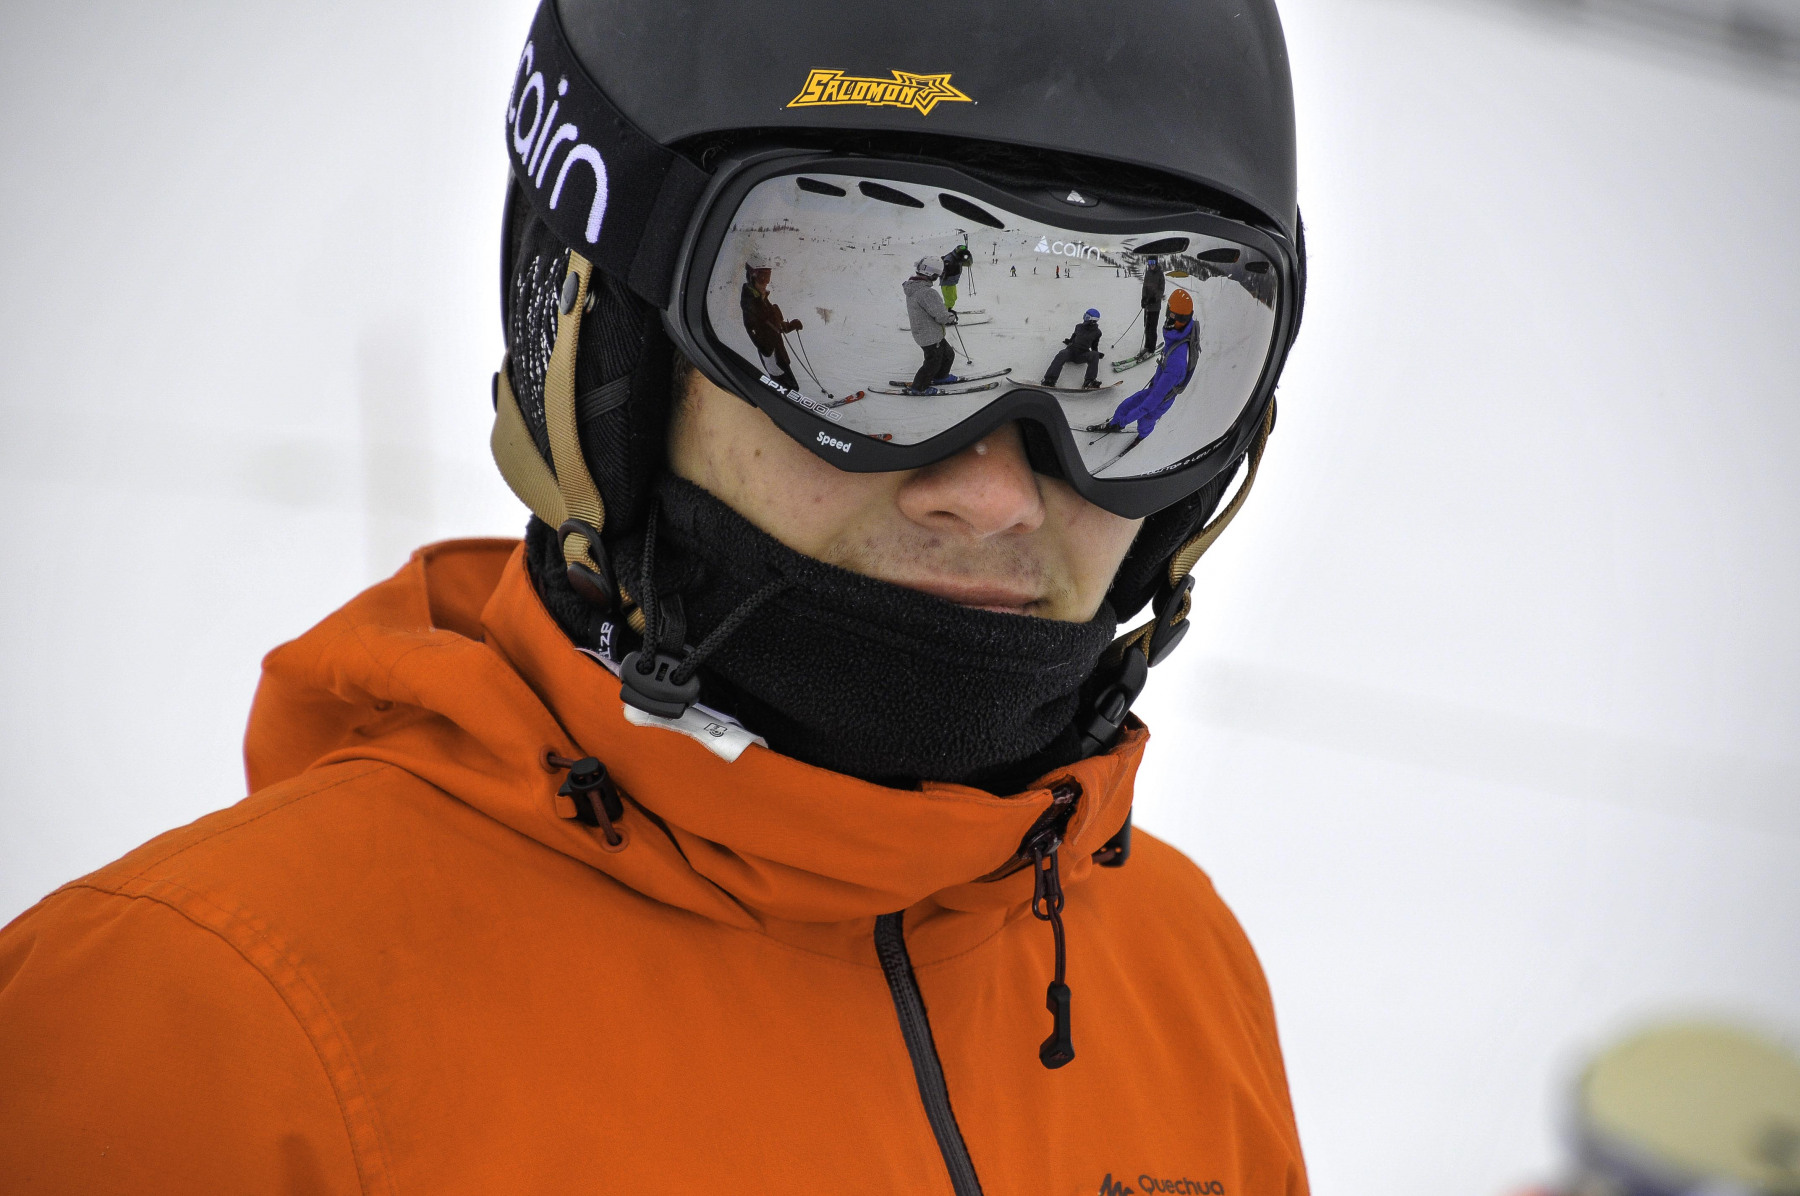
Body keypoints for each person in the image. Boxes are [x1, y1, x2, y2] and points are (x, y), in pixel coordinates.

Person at [0, 0, 1312, 1191]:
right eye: (845, 324)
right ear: (599, 350)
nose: (996, 493)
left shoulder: (1177, 970)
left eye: (1142, 373)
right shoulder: (200, 1028)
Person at [1103, 288, 1199, 441]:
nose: (1167, 319)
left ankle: (1143, 436)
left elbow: (1152, 402)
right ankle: (1114, 422)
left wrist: (1123, 423)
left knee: (1145, 420)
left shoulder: (1177, 362)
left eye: (1170, 315)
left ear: (1178, 318)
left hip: (1161, 400)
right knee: (1127, 405)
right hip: (1158, 387)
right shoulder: (1178, 335)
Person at [739, 253, 802, 390]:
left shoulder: (760, 298)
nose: (766, 282)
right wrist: (770, 349)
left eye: (767, 276)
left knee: (792, 386)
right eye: (762, 277)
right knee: (786, 388)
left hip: (778, 353)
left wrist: (790, 326)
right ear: (751, 277)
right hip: (772, 356)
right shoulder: (751, 304)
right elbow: (756, 333)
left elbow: (774, 325)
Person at [904, 255, 958, 394]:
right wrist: (950, 317)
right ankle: (919, 387)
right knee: (933, 363)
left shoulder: (914, 288)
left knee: (948, 355)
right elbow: (940, 315)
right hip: (929, 336)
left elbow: (932, 310)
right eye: (937, 275)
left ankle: (940, 377)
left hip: (929, 333)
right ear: (932, 275)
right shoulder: (927, 293)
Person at [1042, 307, 1105, 388]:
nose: (1084, 318)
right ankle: (1049, 380)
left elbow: (1094, 345)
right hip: (1071, 352)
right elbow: (1074, 336)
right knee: (1062, 353)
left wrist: (1096, 353)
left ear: (1093, 321)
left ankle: (1089, 382)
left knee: (1095, 354)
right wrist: (1069, 341)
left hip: (1083, 354)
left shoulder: (1097, 332)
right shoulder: (1079, 326)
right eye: (1084, 315)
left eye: (1087, 317)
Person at [1140, 254, 1166, 356]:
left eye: (1153, 262)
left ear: (1156, 263)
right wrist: (1143, 298)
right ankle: (1147, 346)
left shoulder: (1160, 274)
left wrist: (1154, 298)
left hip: (1155, 306)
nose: (1151, 265)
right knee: (1147, 326)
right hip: (1147, 305)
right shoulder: (1147, 273)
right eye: (1149, 262)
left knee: (1152, 328)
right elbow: (1144, 287)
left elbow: (1161, 289)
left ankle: (1151, 349)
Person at [939, 242, 974, 310]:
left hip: (952, 282)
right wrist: (945, 273)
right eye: (962, 254)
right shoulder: (949, 259)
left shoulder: (957, 258)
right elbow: (943, 269)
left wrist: (969, 256)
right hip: (947, 283)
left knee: (954, 298)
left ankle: (946, 310)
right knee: (950, 301)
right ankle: (946, 312)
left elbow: (969, 264)